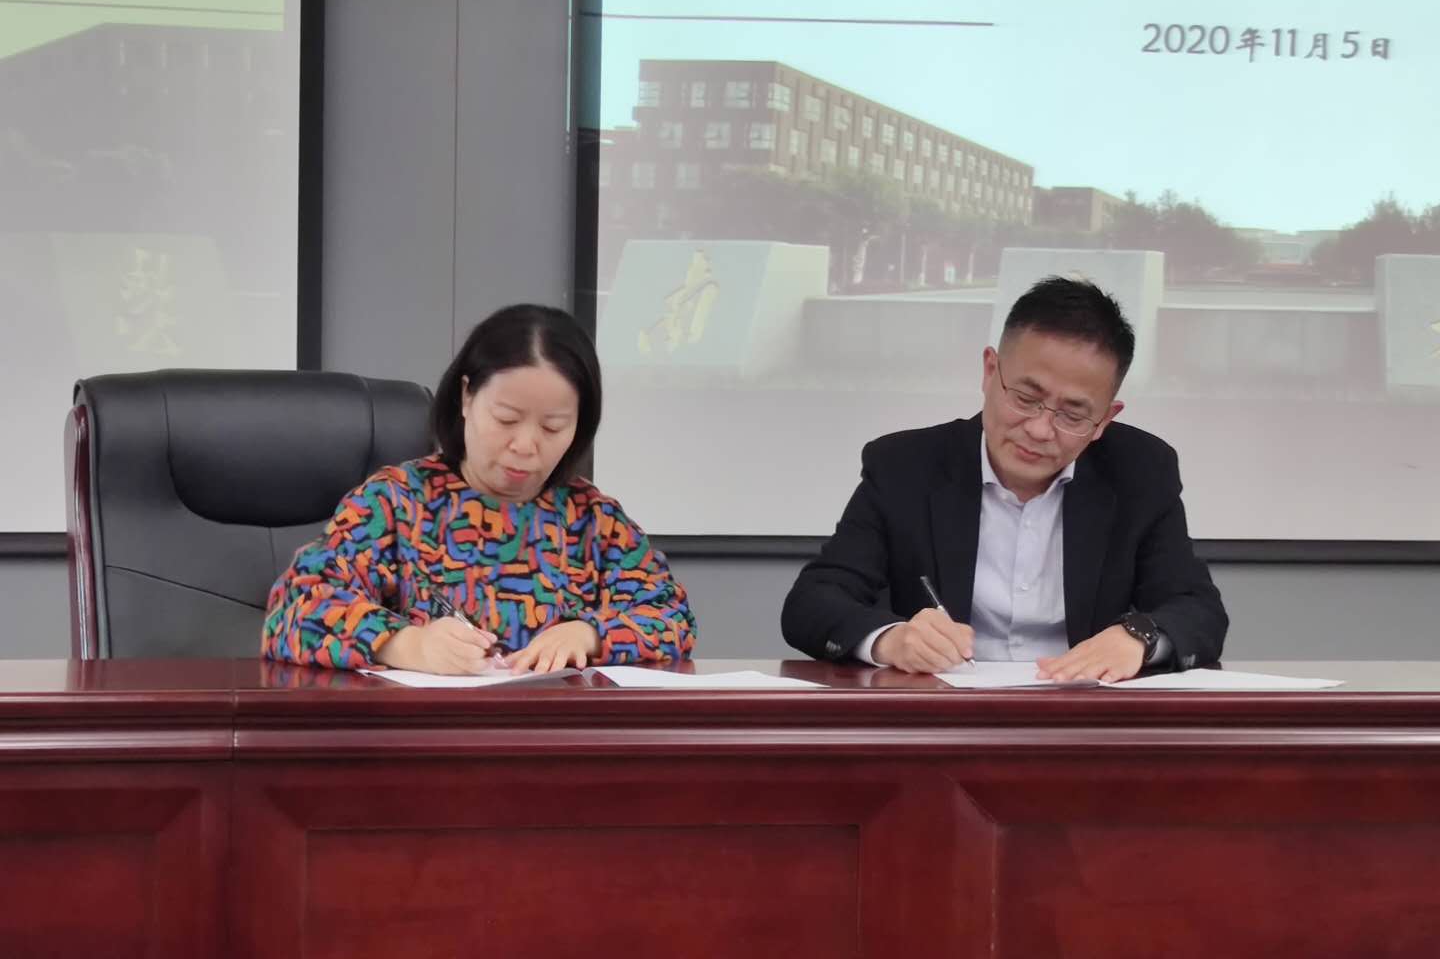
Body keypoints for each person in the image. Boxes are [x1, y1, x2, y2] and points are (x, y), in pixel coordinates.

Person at [781, 276, 1226, 682]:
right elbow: (813, 602)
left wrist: (1139, 637)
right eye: (1026, 398)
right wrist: (891, 639)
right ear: (990, 371)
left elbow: (1198, 609)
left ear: (1105, 420)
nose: (1040, 429)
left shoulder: (1140, 471)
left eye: (1072, 415)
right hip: (942, 715)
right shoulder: (906, 466)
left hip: (1081, 717)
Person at [263, 304, 696, 674]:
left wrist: (590, 635)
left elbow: (671, 617)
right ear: (467, 397)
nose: (525, 446)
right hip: (424, 738)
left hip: (558, 736)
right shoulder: (395, 503)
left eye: (553, 427)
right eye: (506, 419)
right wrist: (408, 645)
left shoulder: (596, 523)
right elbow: (295, 611)